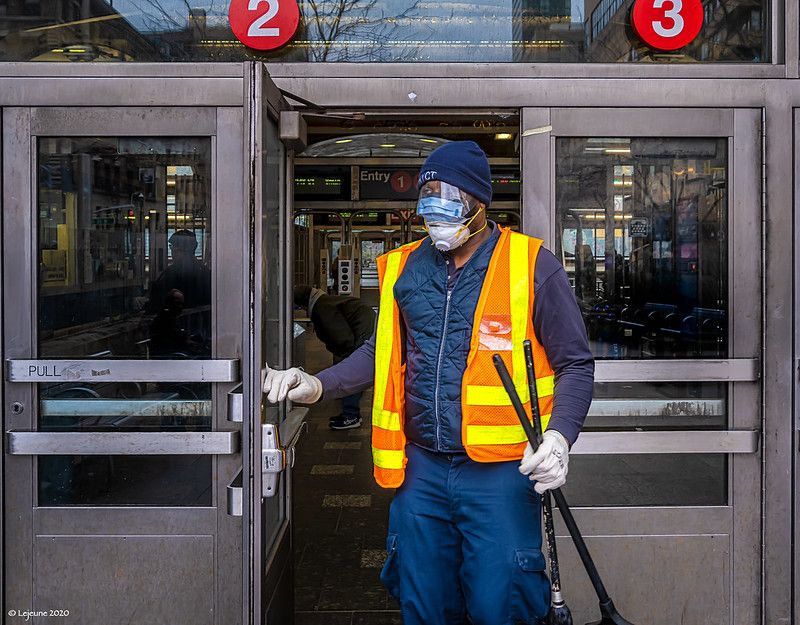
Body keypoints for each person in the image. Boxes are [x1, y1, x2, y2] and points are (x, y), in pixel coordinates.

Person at [263, 141, 594, 625]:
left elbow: (576, 365)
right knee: (423, 601)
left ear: (479, 201)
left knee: (500, 601)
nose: (434, 205)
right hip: (421, 472)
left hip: (500, 474)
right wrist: (315, 385)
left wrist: (561, 437)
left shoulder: (531, 265)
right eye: (428, 193)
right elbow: (381, 354)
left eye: (448, 194)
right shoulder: (404, 268)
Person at [294, 284, 376, 429]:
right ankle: (350, 413)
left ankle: (351, 415)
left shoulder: (322, 308)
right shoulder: (324, 301)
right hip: (365, 329)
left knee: (352, 370)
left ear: (301, 304)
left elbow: (343, 340)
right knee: (352, 369)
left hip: (363, 334)